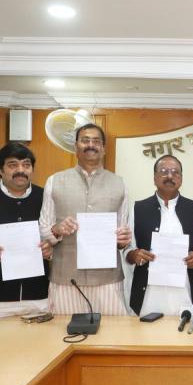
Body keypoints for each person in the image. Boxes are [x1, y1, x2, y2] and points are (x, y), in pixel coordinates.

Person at [39, 124, 132, 315]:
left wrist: (122, 240)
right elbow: (44, 228)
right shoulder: (54, 181)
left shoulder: (120, 183)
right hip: (66, 278)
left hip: (107, 280)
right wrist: (57, 229)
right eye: (85, 140)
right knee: (63, 330)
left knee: (113, 331)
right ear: (75, 146)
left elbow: (123, 232)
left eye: (96, 141)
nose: (91, 145)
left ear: (104, 148)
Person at [125, 155, 193, 315]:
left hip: (185, 294)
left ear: (181, 178)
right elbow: (127, 248)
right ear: (154, 178)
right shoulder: (139, 209)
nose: (170, 176)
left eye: (175, 172)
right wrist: (135, 255)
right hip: (148, 297)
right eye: (164, 171)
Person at [0, 142, 52, 318]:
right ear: (0, 170)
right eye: (13, 165)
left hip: (39, 295)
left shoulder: (46, 197)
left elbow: (56, 237)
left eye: (26, 165)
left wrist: (51, 249)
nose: (21, 170)